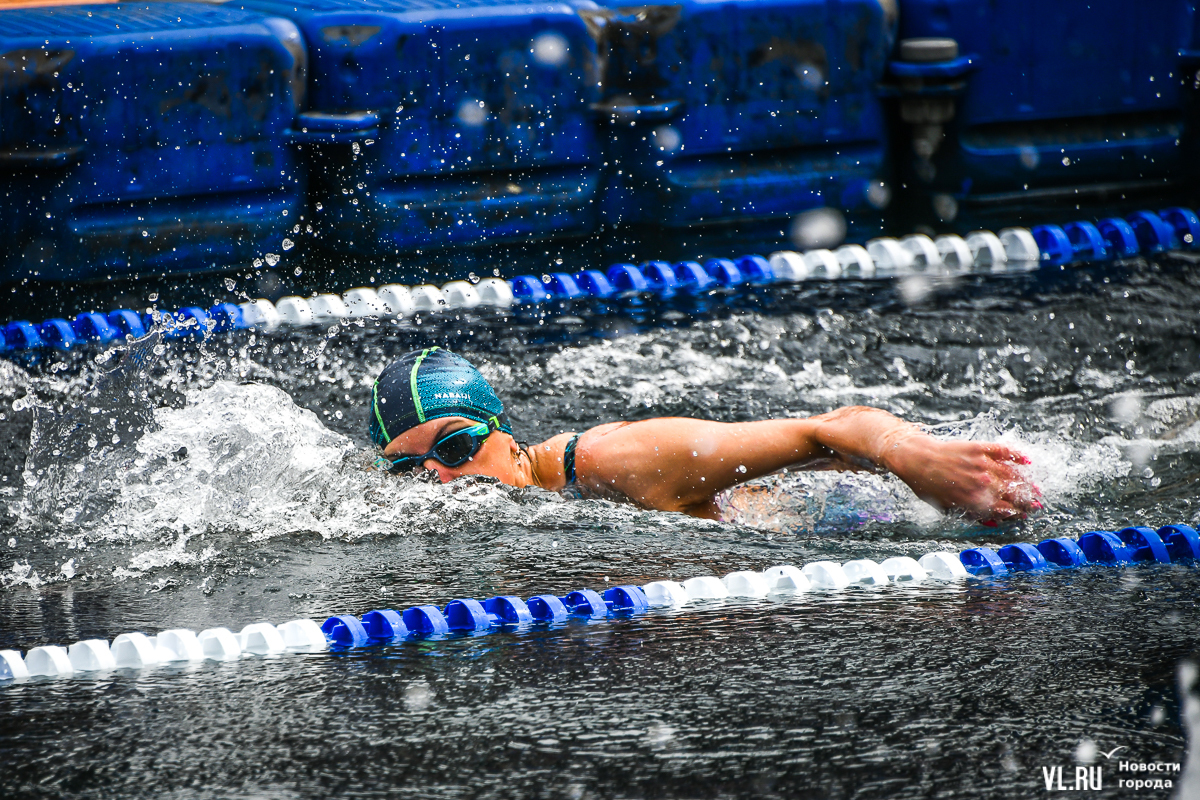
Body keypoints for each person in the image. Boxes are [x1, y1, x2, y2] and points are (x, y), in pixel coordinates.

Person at [369, 347, 1041, 522]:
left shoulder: (616, 460)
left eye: (455, 446)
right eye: (411, 469)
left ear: (503, 432)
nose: (442, 477)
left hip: (870, 511)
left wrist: (920, 458)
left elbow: (828, 429)